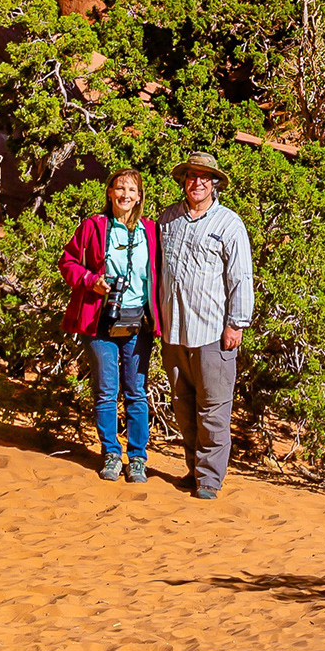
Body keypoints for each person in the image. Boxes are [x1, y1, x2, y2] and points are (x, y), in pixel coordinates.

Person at [154, 153, 256, 499]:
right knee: (183, 405)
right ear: (184, 180)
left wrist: (236, 324)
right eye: (192, 176)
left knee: (213, 409)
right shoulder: (169, 219)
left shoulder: (229, 224)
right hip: (174, 331)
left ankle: (210, 480)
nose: (197, 183)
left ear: (214, 183)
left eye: (205, 177)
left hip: (214, 332)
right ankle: (194, 470)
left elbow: (240, 277)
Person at [56, 168, 162, 483]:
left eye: (131, 190)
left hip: (137, 323)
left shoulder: (152, 231)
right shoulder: (93, 227)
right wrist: (91, 281)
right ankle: (111, 454)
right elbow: (68, 262)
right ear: (109, 192)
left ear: (140, 196)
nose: (125, 195)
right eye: (119, 188)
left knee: (136, 392)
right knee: (105, 391)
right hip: (100, 321)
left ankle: (138, 458)